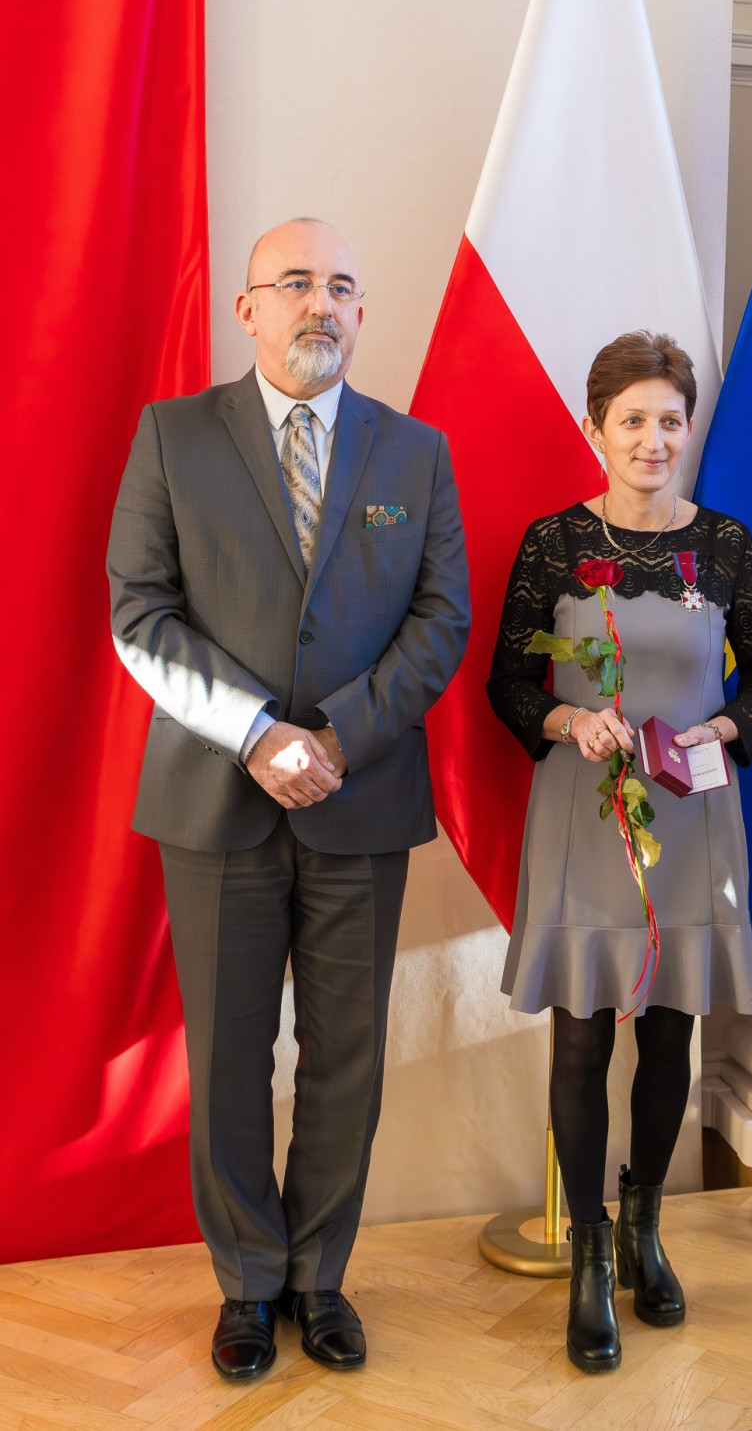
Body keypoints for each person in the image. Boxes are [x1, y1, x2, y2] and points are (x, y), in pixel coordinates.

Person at [107, 218, 470, 1380]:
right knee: (227, 1056)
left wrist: (338, 737)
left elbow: (442, 619)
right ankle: (248, 1283)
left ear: (361, 313)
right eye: (297, 282)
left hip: (362, 797)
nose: (321, 302)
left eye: (342, 286)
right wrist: (260, 732)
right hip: (217, 800)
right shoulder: (173, 436)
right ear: (248, 307)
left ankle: (320, 1276)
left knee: (345, 1055)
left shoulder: (416, 452)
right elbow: (140, 611)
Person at [488, 330, 752, 1373]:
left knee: (671, 1041)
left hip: (694, 814)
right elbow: (507, 681)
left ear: (688, 427)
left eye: (671, 419)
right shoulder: (552, 541)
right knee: (581, 1043)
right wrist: (569, 720)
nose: (653, 438)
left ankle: (645, 1226)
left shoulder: (728, 544)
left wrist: (726, 729)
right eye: (633, 420)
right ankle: (588, 1251)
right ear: (596, 429)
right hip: (584, 817)